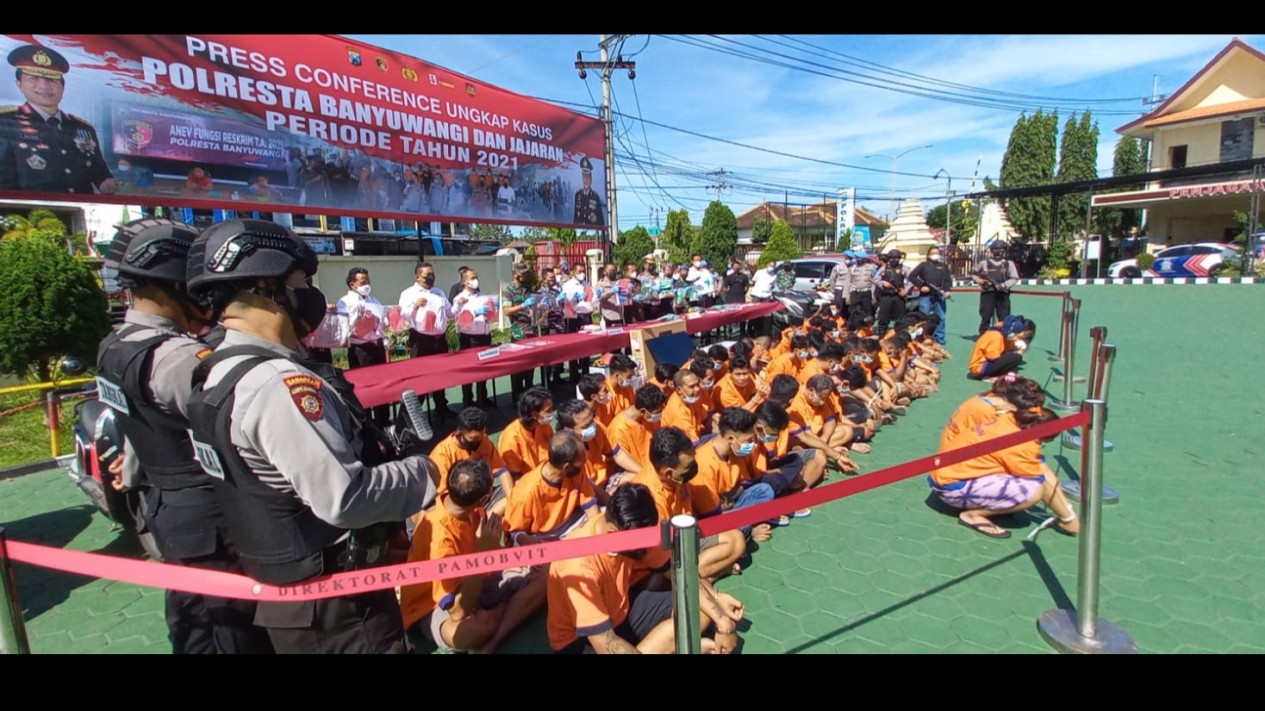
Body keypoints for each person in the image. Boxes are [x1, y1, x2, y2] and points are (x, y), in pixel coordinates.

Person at [184, 218, 438, 654]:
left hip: (288, 591)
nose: (310, 293)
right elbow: (344, 498)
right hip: (337, 608)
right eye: (302, 280)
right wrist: (423, 473)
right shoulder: (278, 384)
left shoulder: (214, 371)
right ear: (266, 285)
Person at [97, 218, 272, 655]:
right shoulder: (180, 359)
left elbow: (138, 420)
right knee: (235, 627)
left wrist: (134, 469)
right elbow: (233, 430)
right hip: (214, 514)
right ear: (174, 284)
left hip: (163, 505)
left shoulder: (114, 345)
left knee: (190, 618)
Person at [547, 483, 744, 654]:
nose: (647, 547)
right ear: (613, 533)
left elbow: (680, 575)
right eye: (640, 544)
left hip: (622, 613)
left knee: (695, 609)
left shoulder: (636, 529)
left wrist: (724, 623)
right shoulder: (577, 565)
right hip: (581, 641)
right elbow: (605, 643)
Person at [399, 458, 545, 654]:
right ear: (484, 500)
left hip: (479, 577)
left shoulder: (459, 504)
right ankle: (512, 610)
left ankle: (496, 631)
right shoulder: (441, 543)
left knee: (546, 574)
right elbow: (458, 611)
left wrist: (507, 560)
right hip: (432, 607)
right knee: (471, 631)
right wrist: (482, 557)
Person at [930, 387, 1080, 539]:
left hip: (944, 474)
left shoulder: (1008, 420)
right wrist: (1067, 518)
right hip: (950, 487)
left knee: (1035, 470)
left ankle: (1066, 518)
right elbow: (1043, 480)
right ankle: (972, 515)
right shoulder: (1019, 445)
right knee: (1032, 491)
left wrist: (1067, 512)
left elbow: (1040, 467)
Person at [633, 426, 747, 580]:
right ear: (668, 472)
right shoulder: (647, 498)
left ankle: (701, 577)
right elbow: (659, 553)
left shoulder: (678, 479)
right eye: (688, 467)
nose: (693, 470)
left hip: (686, 539)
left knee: (737, 539)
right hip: (661, 561)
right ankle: (698, 580)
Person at [0, 44, 117, 195]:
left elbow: (100, 173)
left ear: (63, 87)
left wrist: (105, 183)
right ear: (19, 85)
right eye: (33, 78)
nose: (44, 86)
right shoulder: (5, 123)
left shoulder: (83, 129)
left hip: (78, 212)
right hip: (28, 214)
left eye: (52, 80)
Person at [688, 408, 777, 543]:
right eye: (748, 440)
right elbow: (710, 514)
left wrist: (731, 496)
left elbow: (743, 484)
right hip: (713, 519)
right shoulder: (704, 463)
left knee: (765, 490)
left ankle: (746, 527)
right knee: (741, 525)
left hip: (732, 504)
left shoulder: (734, 453)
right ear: (730, 438)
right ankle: (748, 531)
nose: (752, 445)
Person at [503, 430, 599, 545]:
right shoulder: (526, 492)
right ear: (566, 467)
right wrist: (529, 541)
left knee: (606, 520)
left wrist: (597, 536)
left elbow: (591, 507)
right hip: (544, 537)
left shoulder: (577, 471)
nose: (585, 462)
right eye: (582, 460)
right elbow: (514, 532)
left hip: (573, 523)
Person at [398, 261, 457, 420]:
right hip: (421, 340)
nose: (430, 278)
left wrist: (458, 303)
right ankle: (415, 414)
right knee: (420, 377)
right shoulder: (409, 293)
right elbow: (403, 315)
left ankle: (441, 406)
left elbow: (450, 312)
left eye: (432, 275)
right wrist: (415, 306)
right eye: (426, 276)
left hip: (440, 339)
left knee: (441, 375)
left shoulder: (439, 292)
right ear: (417, 276)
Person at [337, 267, 389, 425]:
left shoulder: (373, 300)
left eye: (368, 281)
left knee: (382, 386)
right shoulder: (345, 302)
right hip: (360, 349)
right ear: (353, 284)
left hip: (377, 346)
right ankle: (367, 423)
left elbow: (383, 323)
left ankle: (383, 421)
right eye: (363, 282)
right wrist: (356, 318)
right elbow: (343, 329)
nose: (367, 284)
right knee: (363, 388)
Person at [496, 387, 555, 503]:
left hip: (547, 474)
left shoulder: (543, 425)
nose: (552, 413)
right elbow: (514, 477)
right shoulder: (511, 437)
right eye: (549, 410)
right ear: (535, 414)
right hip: (526, 483)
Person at [451, 267, 495, 408]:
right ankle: (468, 400)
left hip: (484, 335)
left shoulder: (483, 296)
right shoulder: (459, 299)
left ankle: (482, 396)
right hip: (469, 338)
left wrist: (493, 310)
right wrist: (474, 313)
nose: (475, 280)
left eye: (476, 277)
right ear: (464, 281)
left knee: (484, 369)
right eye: (472, 278)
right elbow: (459, 321)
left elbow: (491, 316)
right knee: (469, 370)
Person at [907, 245, 953, 345]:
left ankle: (939, 338)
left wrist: (947, 291)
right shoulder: (923, 265)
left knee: (941, 317)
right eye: (933, 253)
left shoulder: (943, 266)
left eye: (937, 253)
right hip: (926, 296)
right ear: (928, 255)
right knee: (923, 317)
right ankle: (923, 337)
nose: (935, 255)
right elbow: (912, 276)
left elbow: (947, 281)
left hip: (939, 295)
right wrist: (921, 286)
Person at [968, 315, 1036, 381]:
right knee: (1016, 357)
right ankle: (989, 375)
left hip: (986, 363)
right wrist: (1017, 352)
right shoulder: (996, 336)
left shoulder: (1002, 328)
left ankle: (1000, 372)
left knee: (1013, 357)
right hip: (979, 368)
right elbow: (993, 358)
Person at [973, 241, 1019, 334]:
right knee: (985, 316)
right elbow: (974, 274)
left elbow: (1014, 278)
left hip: (1002, 294)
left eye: (1000, 250)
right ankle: (984, 335)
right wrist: (978, 280)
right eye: (995, 249)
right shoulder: (984, 263)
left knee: (1004, 317)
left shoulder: (1008, 264)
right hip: (987, 293)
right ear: (991, 251)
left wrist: (1003, 285)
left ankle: (1003, 336)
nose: (998, 252)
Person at [874, 250, 909, 337]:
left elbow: (911, 280)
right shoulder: (884, 268)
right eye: (893, 258)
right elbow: (875, 279)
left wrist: (906, 290)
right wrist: (883, 283)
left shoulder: (904, 268)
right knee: (883, 318)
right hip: (886, 296)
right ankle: (882, 336)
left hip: (899, 296)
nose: (895, 260)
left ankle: (900, 336)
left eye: (897, 258)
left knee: (900, 319)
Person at [573, 156, 605, 226]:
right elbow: (575, 218)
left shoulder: (595, 197)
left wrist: (596, 219)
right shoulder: (578, 195)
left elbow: (601, 222)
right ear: (582, 178)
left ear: (591, 179)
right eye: (584, 177)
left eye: (588, 177)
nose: (586, 180)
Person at [846, 249, 877, 319]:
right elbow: (848, 282)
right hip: (855, 292)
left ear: (864, 259)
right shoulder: (852, 268)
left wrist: (873, 295)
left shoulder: (871, 268)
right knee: (852, 311)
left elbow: (874, 283)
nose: (857, 260)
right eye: (856, 258)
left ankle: (867, 327)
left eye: (859, 258)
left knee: (867, 311)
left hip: (866, 292)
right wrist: (847, 295)